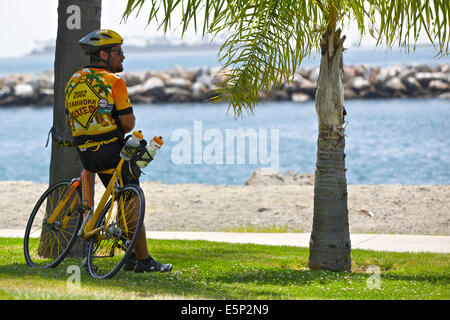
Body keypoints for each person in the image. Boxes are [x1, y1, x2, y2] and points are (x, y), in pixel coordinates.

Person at [64, 29, 172, 273]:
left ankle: (131, 255)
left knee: (121, 195)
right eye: (118, 52)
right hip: (109, 151)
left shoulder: (73, 81)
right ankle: (143, 261)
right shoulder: (114, 81)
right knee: (132, 195)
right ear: (103, 54)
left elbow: (71, 118)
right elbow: (128, 124)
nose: (123, 56)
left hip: (86, 154)